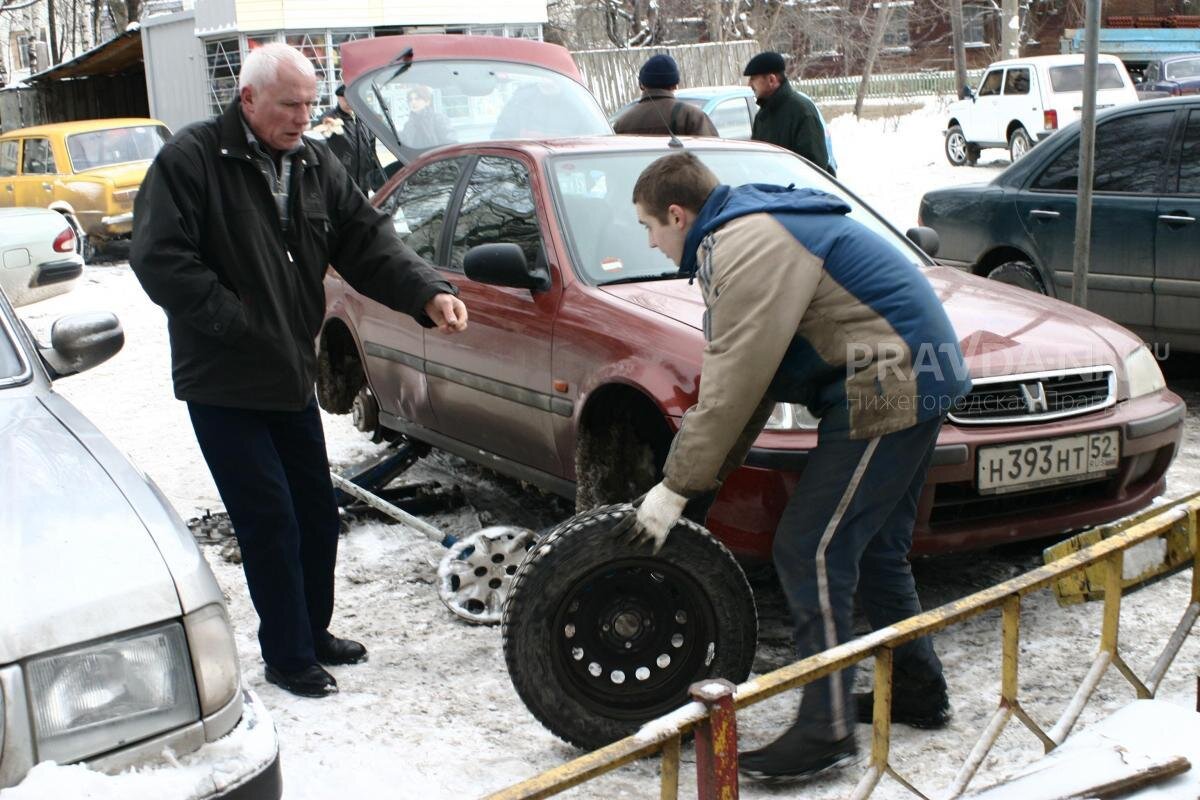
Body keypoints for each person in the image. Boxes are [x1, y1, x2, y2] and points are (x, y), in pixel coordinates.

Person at [617, 151, 969, 781]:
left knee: (811, 548)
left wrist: (675, 488)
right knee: (877, 551)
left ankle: (825, 729)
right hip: (913, 367)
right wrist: (696, 485)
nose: (649, 239)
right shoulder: (750, 231)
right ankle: (916, 689)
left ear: (677, 213)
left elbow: (729, 385)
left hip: (888, 375)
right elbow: (752, 387)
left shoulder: (744, 243)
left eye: (649, 226)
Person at [130, 43, 468, 699]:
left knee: (315, 513)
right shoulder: (192, 160)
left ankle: (311, 633)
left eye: (311, 104)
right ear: (249, 99)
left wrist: (426, 292)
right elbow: (160, 257)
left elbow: (366, 240)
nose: (303, 117)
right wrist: (235, 322)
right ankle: (286, 655)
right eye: (290, 105)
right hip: (224, 382)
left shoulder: (315, 164)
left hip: (288, 374)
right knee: (270, 520)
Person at [744, 51, 835, 176]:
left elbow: (815, 168)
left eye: (753, 79)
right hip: (768, 193)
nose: (749, 84)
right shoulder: (762, 115)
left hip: (796, 193)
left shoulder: (802, 111)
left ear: (771, 80)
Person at [612, 54, 718, 137]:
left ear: (641, 85)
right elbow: (713, 156)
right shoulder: (691, 117)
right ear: (675, 85)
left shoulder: (622, 123)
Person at [312, 83, 381, 191]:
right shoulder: (331, 118)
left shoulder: (364, 118)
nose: (348, 102)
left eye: (351, 97)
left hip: (363, 181)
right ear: (339, 98)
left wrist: (377, 177)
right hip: (341, 182)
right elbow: (320, 131)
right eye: (344, 98)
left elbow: (371, 151)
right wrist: (324, 126)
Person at [399, 85, 455, 149]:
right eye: (410, 100)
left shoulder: (438, 119)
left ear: (427, 101)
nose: (413, 102)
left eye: (417, 99)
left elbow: (450, 142)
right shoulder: (408, 125)